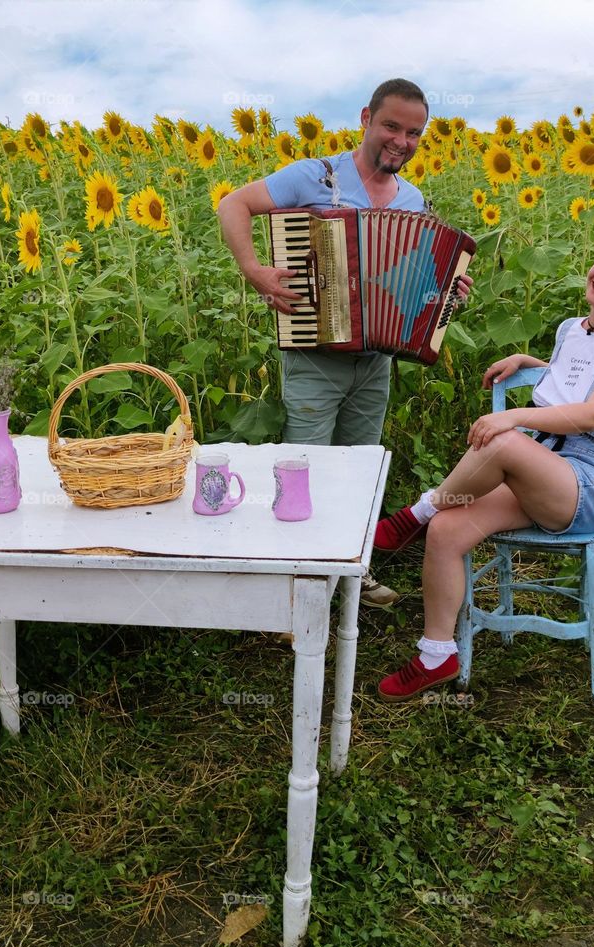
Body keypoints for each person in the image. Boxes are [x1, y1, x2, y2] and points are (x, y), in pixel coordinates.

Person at [374, 238, 594, 700]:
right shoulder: (571, 329)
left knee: (505, 440)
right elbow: (576, 381)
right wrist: (531, 363)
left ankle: (413, 516)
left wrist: (513, 415)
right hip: (547, 470)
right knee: (449, 531)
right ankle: (437, 654)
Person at [218, 78, 469, 609]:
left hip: (375, 361)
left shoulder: (412, 199)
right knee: (302, 473)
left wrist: (448, 290)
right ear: (365, 118)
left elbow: (410, 281)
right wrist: (255, 271)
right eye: (392, 126)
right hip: (314, 355)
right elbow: (232, 205)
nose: (401, 140)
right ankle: (295, 591)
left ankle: (353, 575)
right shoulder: (317, 176)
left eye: (414, 132)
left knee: (358, 473)